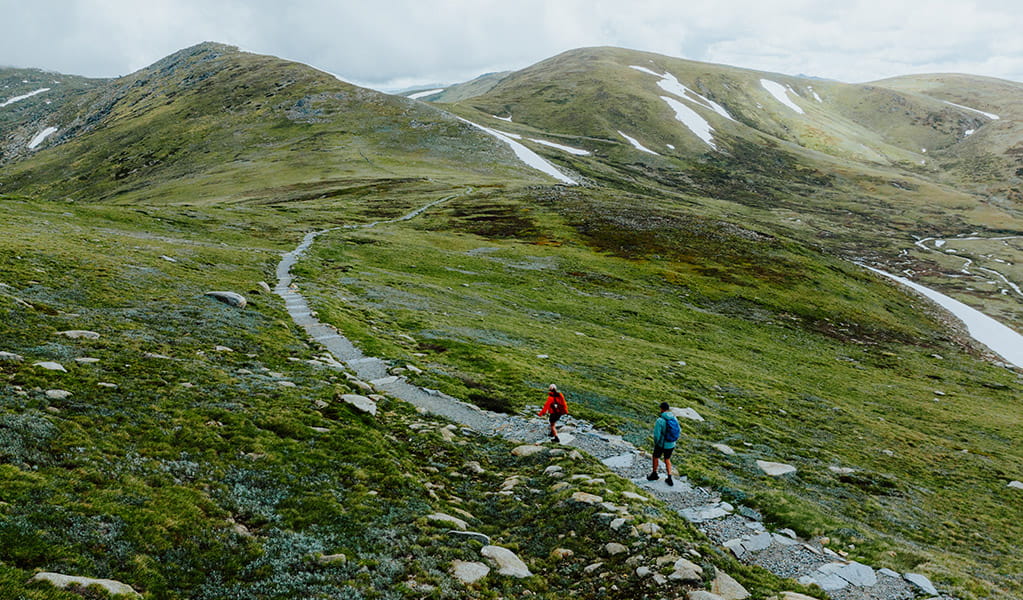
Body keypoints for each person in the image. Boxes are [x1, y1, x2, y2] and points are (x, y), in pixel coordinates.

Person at [648, 402, 680, 486]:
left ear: (662, 409)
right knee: (667, 459)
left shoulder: (660, 420)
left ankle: (654, 474)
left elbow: (656, 434)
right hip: (671, 444)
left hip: (662, 444)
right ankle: (669, 477)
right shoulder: (674, 418)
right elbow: (679, 430)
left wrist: (656, 443)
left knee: (655, 457)